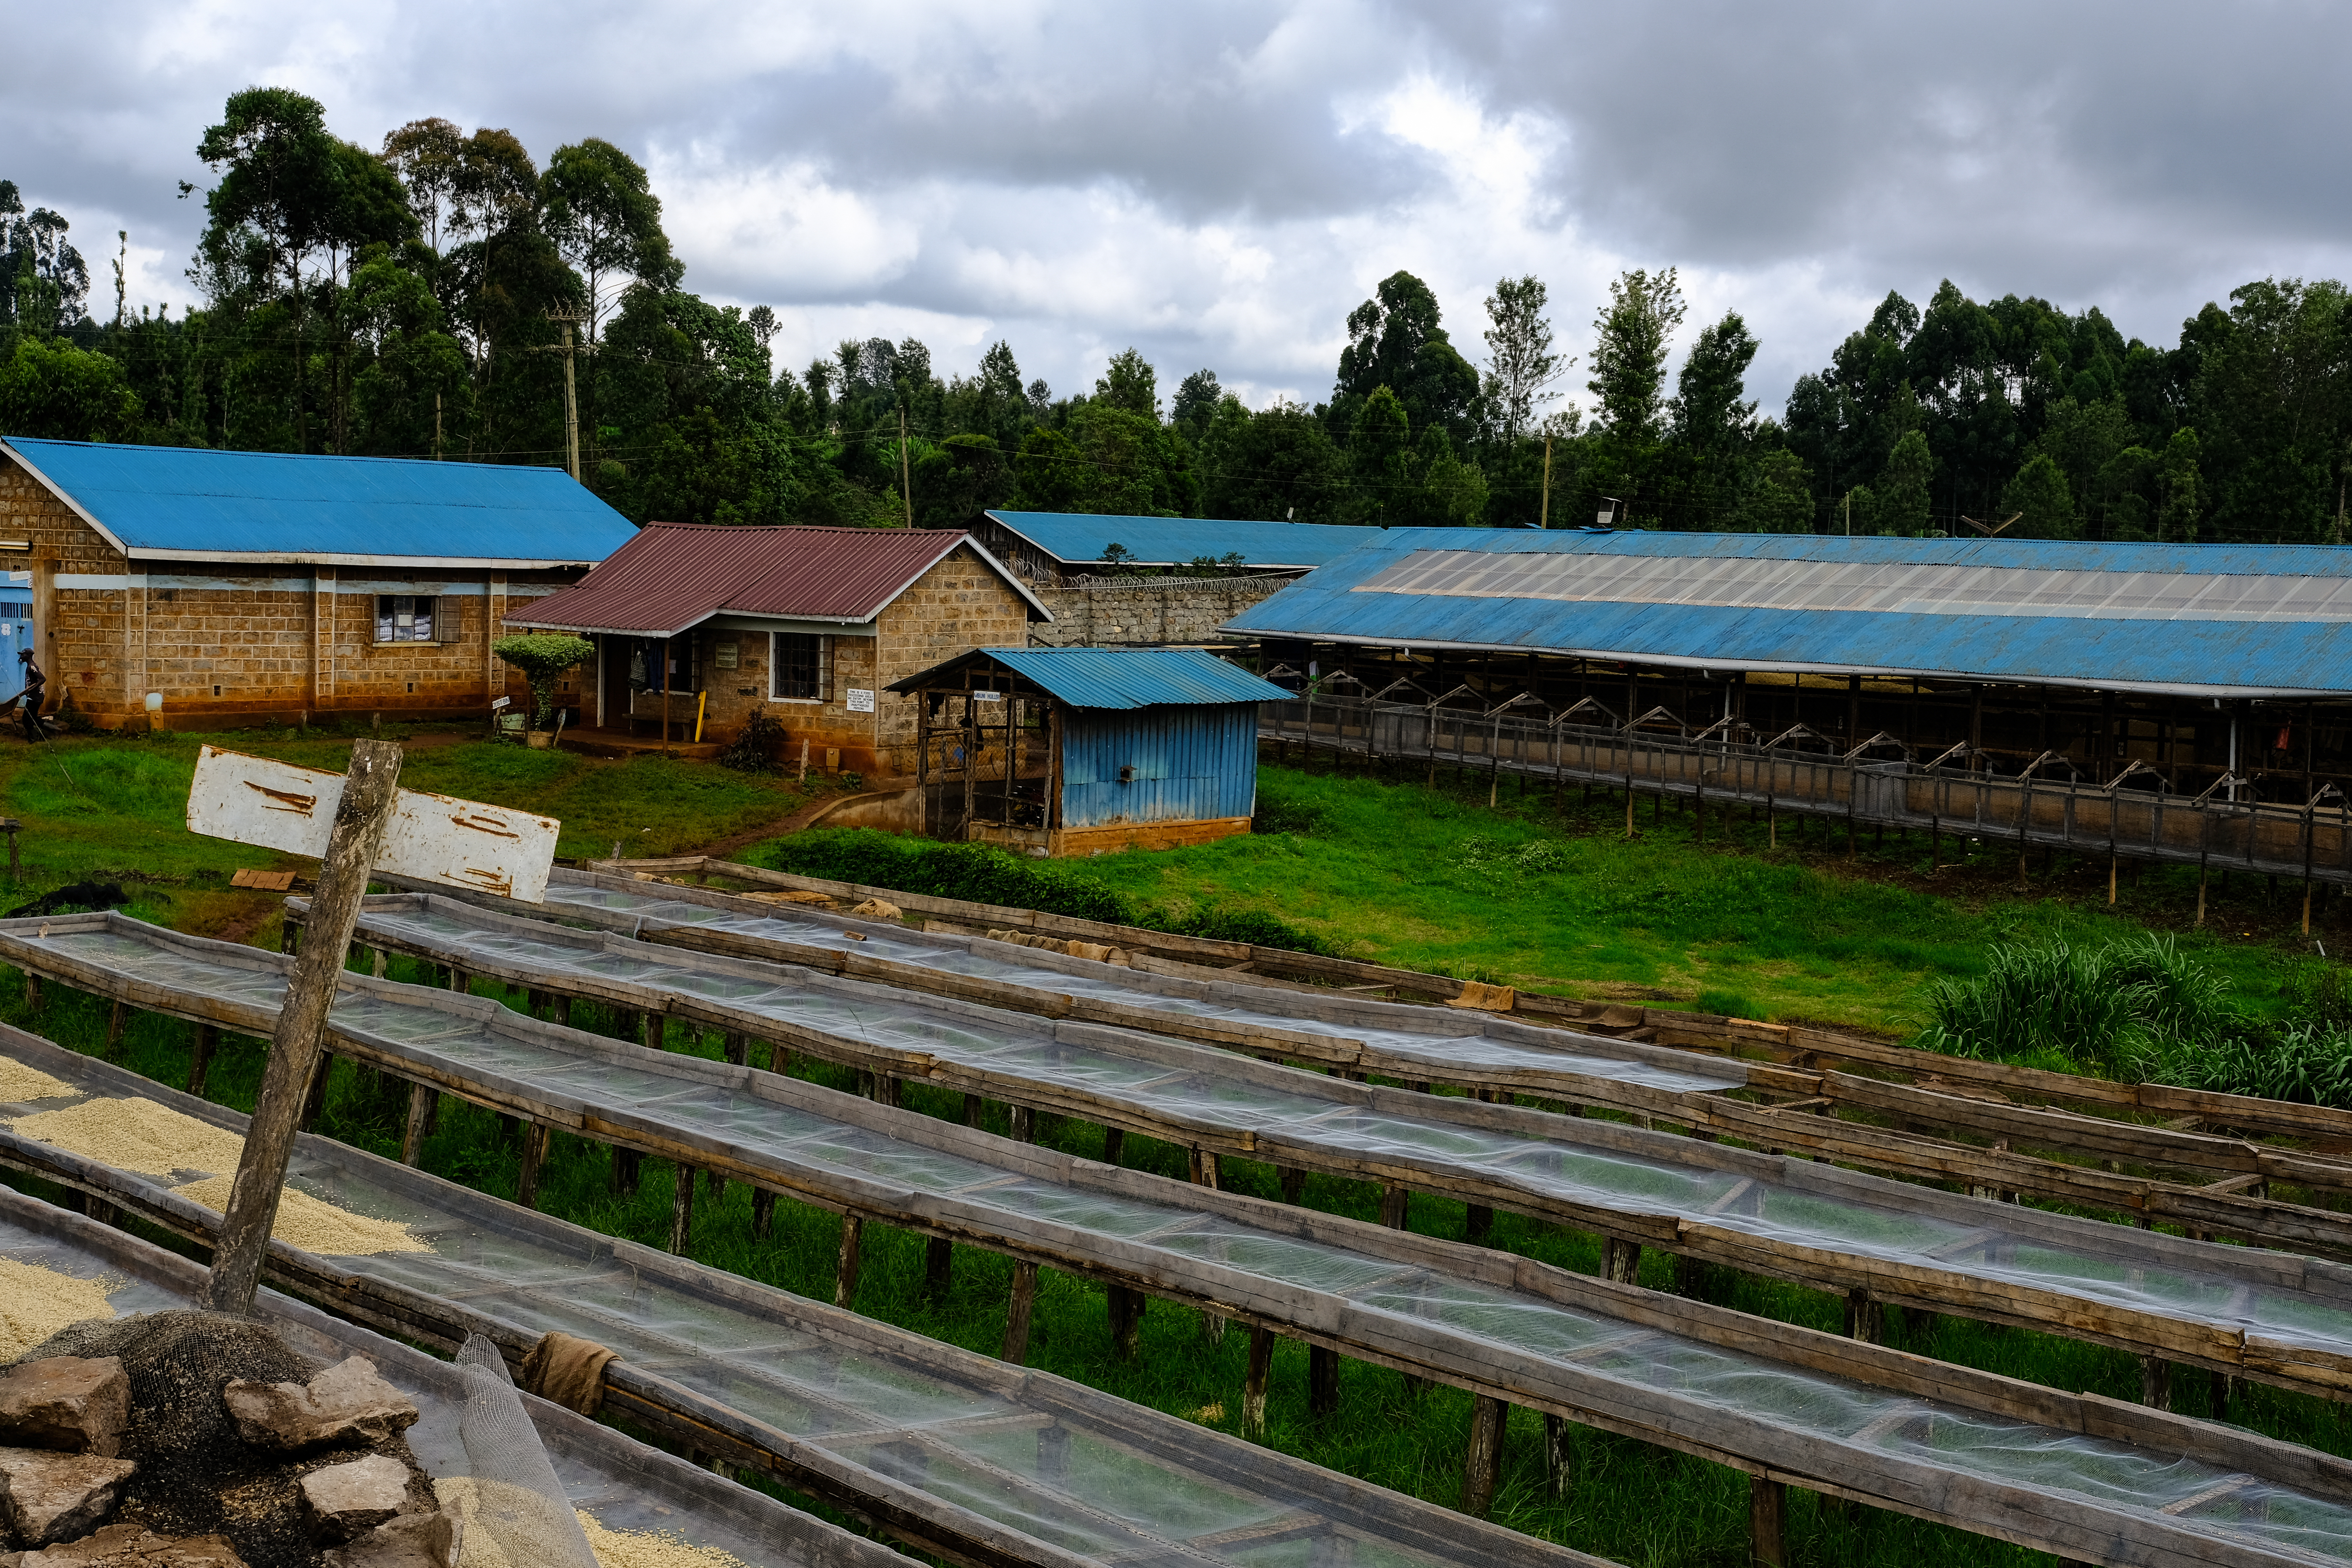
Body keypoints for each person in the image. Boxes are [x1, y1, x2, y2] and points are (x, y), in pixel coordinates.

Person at [17, 650, 46, 742]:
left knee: (26, 719)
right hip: (34, 696)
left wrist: (30, 689)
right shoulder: (30, 666)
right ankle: (55, 730)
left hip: (36, 697)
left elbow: (42, 679)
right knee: (33, 718)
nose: (22, 656)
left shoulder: (32, 666)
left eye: (23, 654)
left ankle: (32, 740)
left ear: (29, 656)